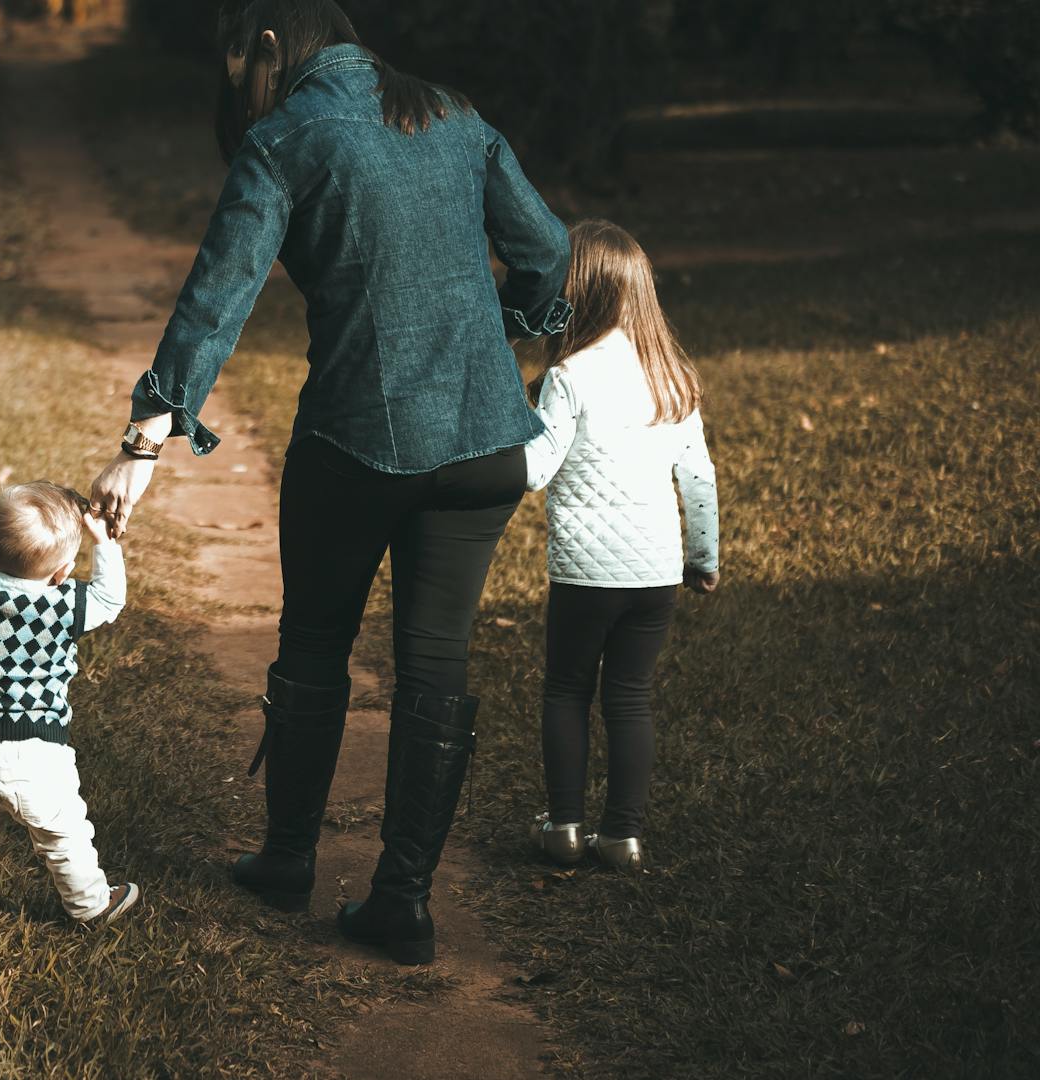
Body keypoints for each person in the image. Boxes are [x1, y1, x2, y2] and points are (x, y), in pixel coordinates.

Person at [88, 0, 571, 965]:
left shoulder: (284, 137)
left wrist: (140, 446)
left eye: (243, 72)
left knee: (314, 642)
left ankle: (287, 860)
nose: (246, 96)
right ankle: (403, 904)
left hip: (355, 444)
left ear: (270, 46)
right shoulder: (453, 115)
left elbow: (213, 302)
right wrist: (506, 329)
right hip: (485, 451)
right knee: (435, 663)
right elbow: (549, 250)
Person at [523, 220, 720, 872]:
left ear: (576, 292)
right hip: (656, 573)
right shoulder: (672, 379)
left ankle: (565, 830)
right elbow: (697, 478)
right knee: (630, 696)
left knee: (567, 691)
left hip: (584, 574)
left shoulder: (570, 377)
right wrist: (703, 558)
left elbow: (535, 470)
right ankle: (623, 838)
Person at [0, 477, 141, 925]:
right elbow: (111, 598)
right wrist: (103, 542)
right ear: (61, 572)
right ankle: (91, 905)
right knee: (63, 836)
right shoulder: (68, 604)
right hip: (40, 756)